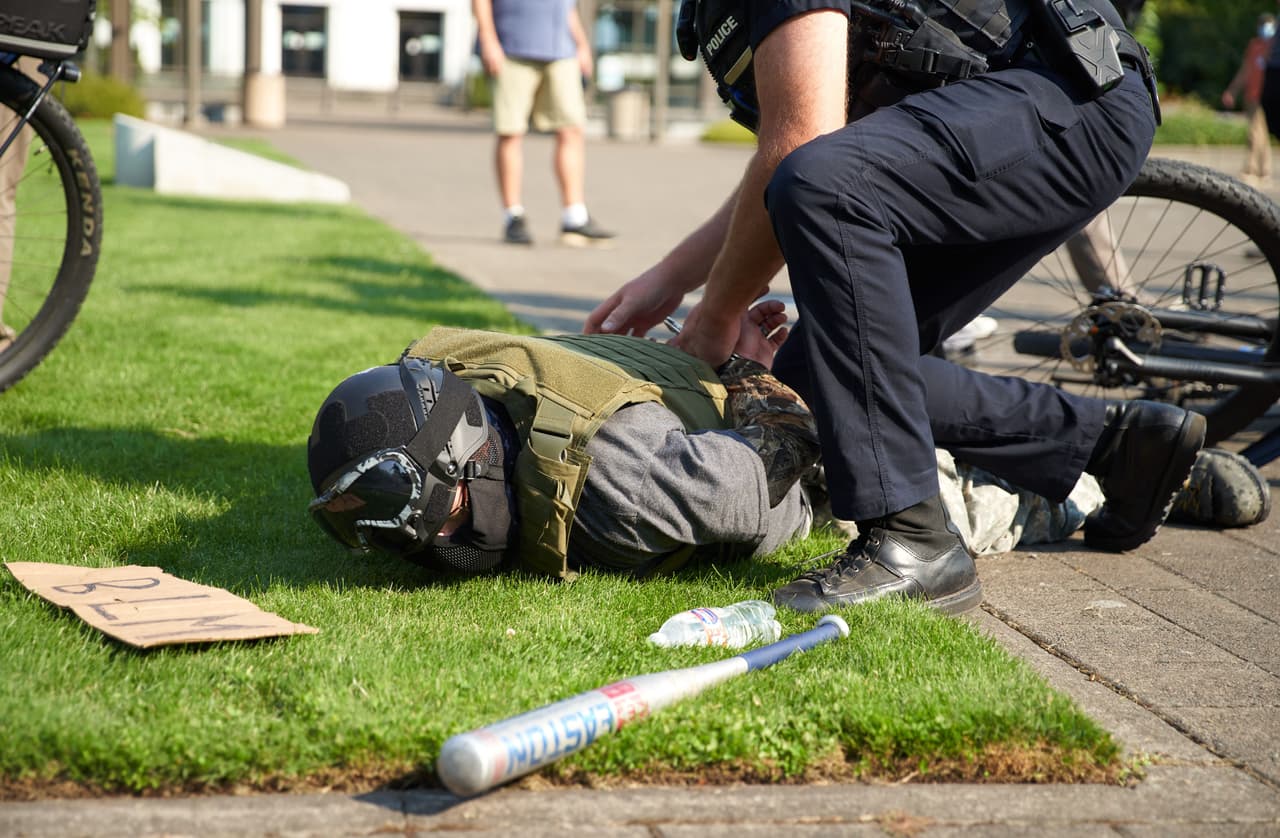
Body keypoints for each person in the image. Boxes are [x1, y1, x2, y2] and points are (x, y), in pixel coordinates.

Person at [584, 1, 1201, 616]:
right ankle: (1120, 447)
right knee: (818, 372)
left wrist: (714, 317)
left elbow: (804, 150)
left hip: (1071, 95)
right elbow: (785, 161)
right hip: (1055, 101)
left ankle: (912, 539)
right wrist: (670, 277)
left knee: (825, 186)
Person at [305, 315, 1270, 581]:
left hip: (760, 451)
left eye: (446, 516)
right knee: (843, 360)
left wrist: (758, 381)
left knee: (900, 454)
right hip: (721, 418)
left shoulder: (620, 488)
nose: (437, 547)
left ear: (473, 454)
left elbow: (770, 476)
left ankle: (1097, 487)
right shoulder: (462, 388)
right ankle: (1106, 446)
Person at [471, 0, 615, 247]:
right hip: (511, 46)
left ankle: (574, 216)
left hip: (561, 49)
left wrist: (580, 44)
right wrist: (488, 37)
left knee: (572, 129)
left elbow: (567, 6)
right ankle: (513, 216)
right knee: (510, 131)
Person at [1223, 14, 1275, 187]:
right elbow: (1246, 70)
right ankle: (1262, 170)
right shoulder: (1255, 45)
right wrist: (1232, 90)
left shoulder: (1275, 47)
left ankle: (1254, 169)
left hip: (1267, 95)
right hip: (1252, 95)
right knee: (1259, 133)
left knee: (1256, 132)